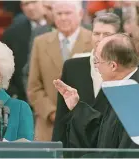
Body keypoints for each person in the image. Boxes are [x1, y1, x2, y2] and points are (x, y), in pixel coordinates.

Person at [52, 13, 139, 144]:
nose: (97, 68)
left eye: (98, 62)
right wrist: (78, 107)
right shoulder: (125, 87)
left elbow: (133, 152)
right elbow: (104, 132)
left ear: (113, 65)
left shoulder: (137, 93)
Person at [27, 1, 92, 141]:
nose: (63, 18)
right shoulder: (40, 42)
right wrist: (51, 113)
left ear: (80, 14)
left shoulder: (93, 41)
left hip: (85, 126)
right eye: (59, 13)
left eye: (67, 13)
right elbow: (34, 87)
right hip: (48, 127)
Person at [2, 0, 45, 101]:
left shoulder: (58, 27)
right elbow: (4, 67)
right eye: (26, 4)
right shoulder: (12, 33)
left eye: (34, 2)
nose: (30, 7)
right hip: (22, 96)